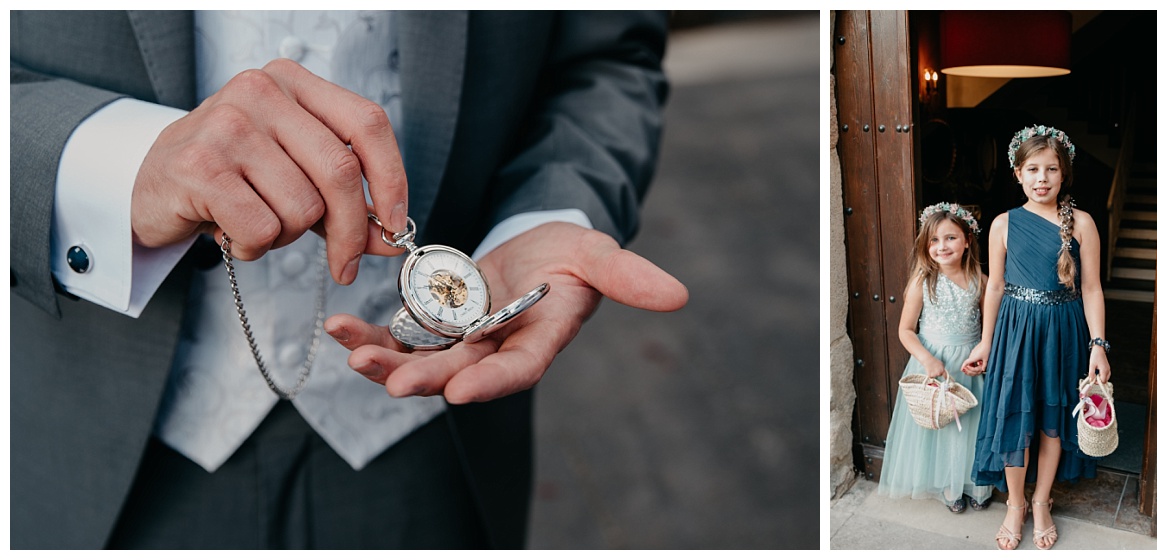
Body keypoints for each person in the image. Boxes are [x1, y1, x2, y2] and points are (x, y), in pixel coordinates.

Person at [10, 11, 688, 549]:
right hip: (92, 445)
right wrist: (119, 168)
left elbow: (604, 59)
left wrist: (542, 213)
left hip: (431, 452)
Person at [965, 125, 1110, 550]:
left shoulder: (1082, 223)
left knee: (1051, 421)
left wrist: (1098, 345)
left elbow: (1092, 289)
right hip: (1014, 331)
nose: (1042, 177)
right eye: (1032, 169)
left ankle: (1042, 501)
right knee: (1014, 416)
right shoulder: (1003, 223)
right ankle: (1015, 504)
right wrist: (986, 341)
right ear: (1017, 173)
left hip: (1063, 333)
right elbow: (994, 287)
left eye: (1051, 169)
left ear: (1063, 174)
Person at [877, 202, 993, 514]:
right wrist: (927, 359)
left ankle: (974, 483)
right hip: (935, 362)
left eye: (951, 238)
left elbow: (988, 326)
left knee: (970, 424)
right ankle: (949, 485)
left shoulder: (980, 281)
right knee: (943, 425)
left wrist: (985, 350)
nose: (942, 246)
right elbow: (905, 330)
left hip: (969, 364)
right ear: (926, 246)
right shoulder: (923, 281)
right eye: (934, 240)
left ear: (967, 240)